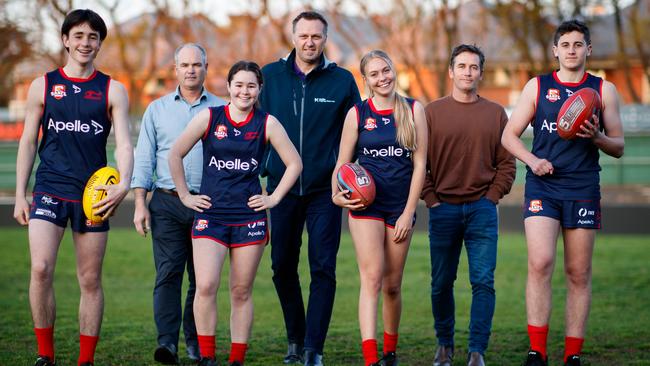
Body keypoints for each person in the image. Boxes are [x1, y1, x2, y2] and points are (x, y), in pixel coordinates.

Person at [13, 9, 133, 366]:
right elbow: (27, 142)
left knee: (90, 279)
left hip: (92, 196)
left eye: (93, 37)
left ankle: (85, 360)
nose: (85, 43)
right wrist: (20, 192)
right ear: (65, 39)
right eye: (79, 36)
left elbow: (125, 143)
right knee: (40, 269)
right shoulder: (43, 85)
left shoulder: (113, 89)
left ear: (99, 43)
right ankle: (45, 355)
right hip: (49, 188)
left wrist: (124, 181)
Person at [501, 20, 624, 366]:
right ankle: (537, 351)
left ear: (588, 50)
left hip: (583, 186)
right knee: (539, 264)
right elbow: (508, 136)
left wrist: (597, 137)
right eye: (565, 44)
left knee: (578, 272)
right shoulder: (537, 87)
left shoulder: (603, 90)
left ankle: (572, 355)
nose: (571, 50)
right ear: (555, 50)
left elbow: (618, 146)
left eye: (578, 44)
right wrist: (531, 160)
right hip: (543, 184)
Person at [168, 61, 302, 366]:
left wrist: (274, 198)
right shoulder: (210, 117)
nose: (245, 91)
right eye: (239, 85)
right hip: (211, 216)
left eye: (251, 85)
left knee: (241, 290)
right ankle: (207, 357)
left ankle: (236, 359)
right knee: (205, 286)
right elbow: (175, 154)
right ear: (228, 87)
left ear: (259, 89)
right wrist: (186, 195)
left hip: (249, 218)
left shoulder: (267, 123)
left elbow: (295, 163)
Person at [258, 10, 361, 366]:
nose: (309, 42)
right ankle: (295, 338)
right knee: (282, 266)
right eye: (303, 35)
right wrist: (259, 168)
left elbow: (357, 136)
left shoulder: (343, 81)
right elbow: (253, 126)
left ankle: (313, 348)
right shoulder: (269, 76)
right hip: (281, 189)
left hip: (324, 192)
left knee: (323, 269)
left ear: (325, 38)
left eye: (316, 36)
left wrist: (349, 177)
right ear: (293, 37)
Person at [421, 44, 516, 366]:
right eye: (461, 66)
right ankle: (444, 345)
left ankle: (477, 350)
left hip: (481, 210)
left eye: (474, 67)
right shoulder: (431, 112)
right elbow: (418, 163)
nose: (467, 72)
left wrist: (491, 198)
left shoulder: (495, 113)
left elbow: (507, 163)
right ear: (451, 71)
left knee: (483, 282)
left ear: (481, 73)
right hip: (442, 209)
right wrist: (431, 199)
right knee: (441, 283)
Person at [131, 43, 225, 364]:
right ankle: (167, 343)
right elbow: (144, 158)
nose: (190, 70)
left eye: (196, 64)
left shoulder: (222, 108)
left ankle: (195, 342)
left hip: (208, 204)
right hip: (167, 202)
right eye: (184, 65)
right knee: (169, 274)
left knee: (202, 280)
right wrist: (140, 203)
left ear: (206, 67)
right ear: (175, 70)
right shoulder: (156, 110)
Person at [331, 50, 427, 366]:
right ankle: (371, 358)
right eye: (374, 74)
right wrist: (336, 194)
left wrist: (408, 212)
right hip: (365, 205)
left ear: (393, 70)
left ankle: (390, 351)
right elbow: (342, 163)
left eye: (385, 70)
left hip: (400, 208)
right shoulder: (357, 114)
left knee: (392, 285)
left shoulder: (414, 110)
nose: (382, 78)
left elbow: (420, 165)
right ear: (366, 80)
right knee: (371, 278)